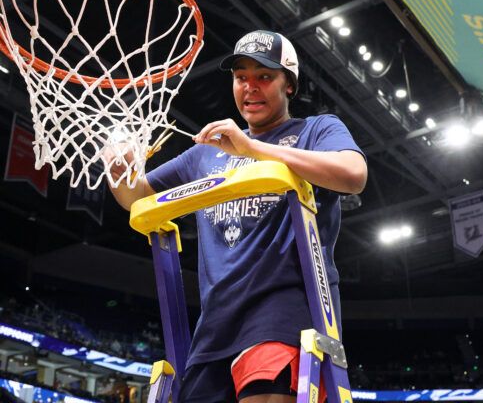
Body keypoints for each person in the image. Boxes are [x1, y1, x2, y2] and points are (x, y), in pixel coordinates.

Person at [106, 30, 367, 403]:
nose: (250, 87)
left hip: (282, 310)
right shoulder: (203, 155)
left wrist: (254, 148)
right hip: (213, 324)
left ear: (288, 84)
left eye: (264, 77)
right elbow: (136, 199)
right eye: (241, 77)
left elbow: (353, 175)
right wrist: (120, 166)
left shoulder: (317, 129)